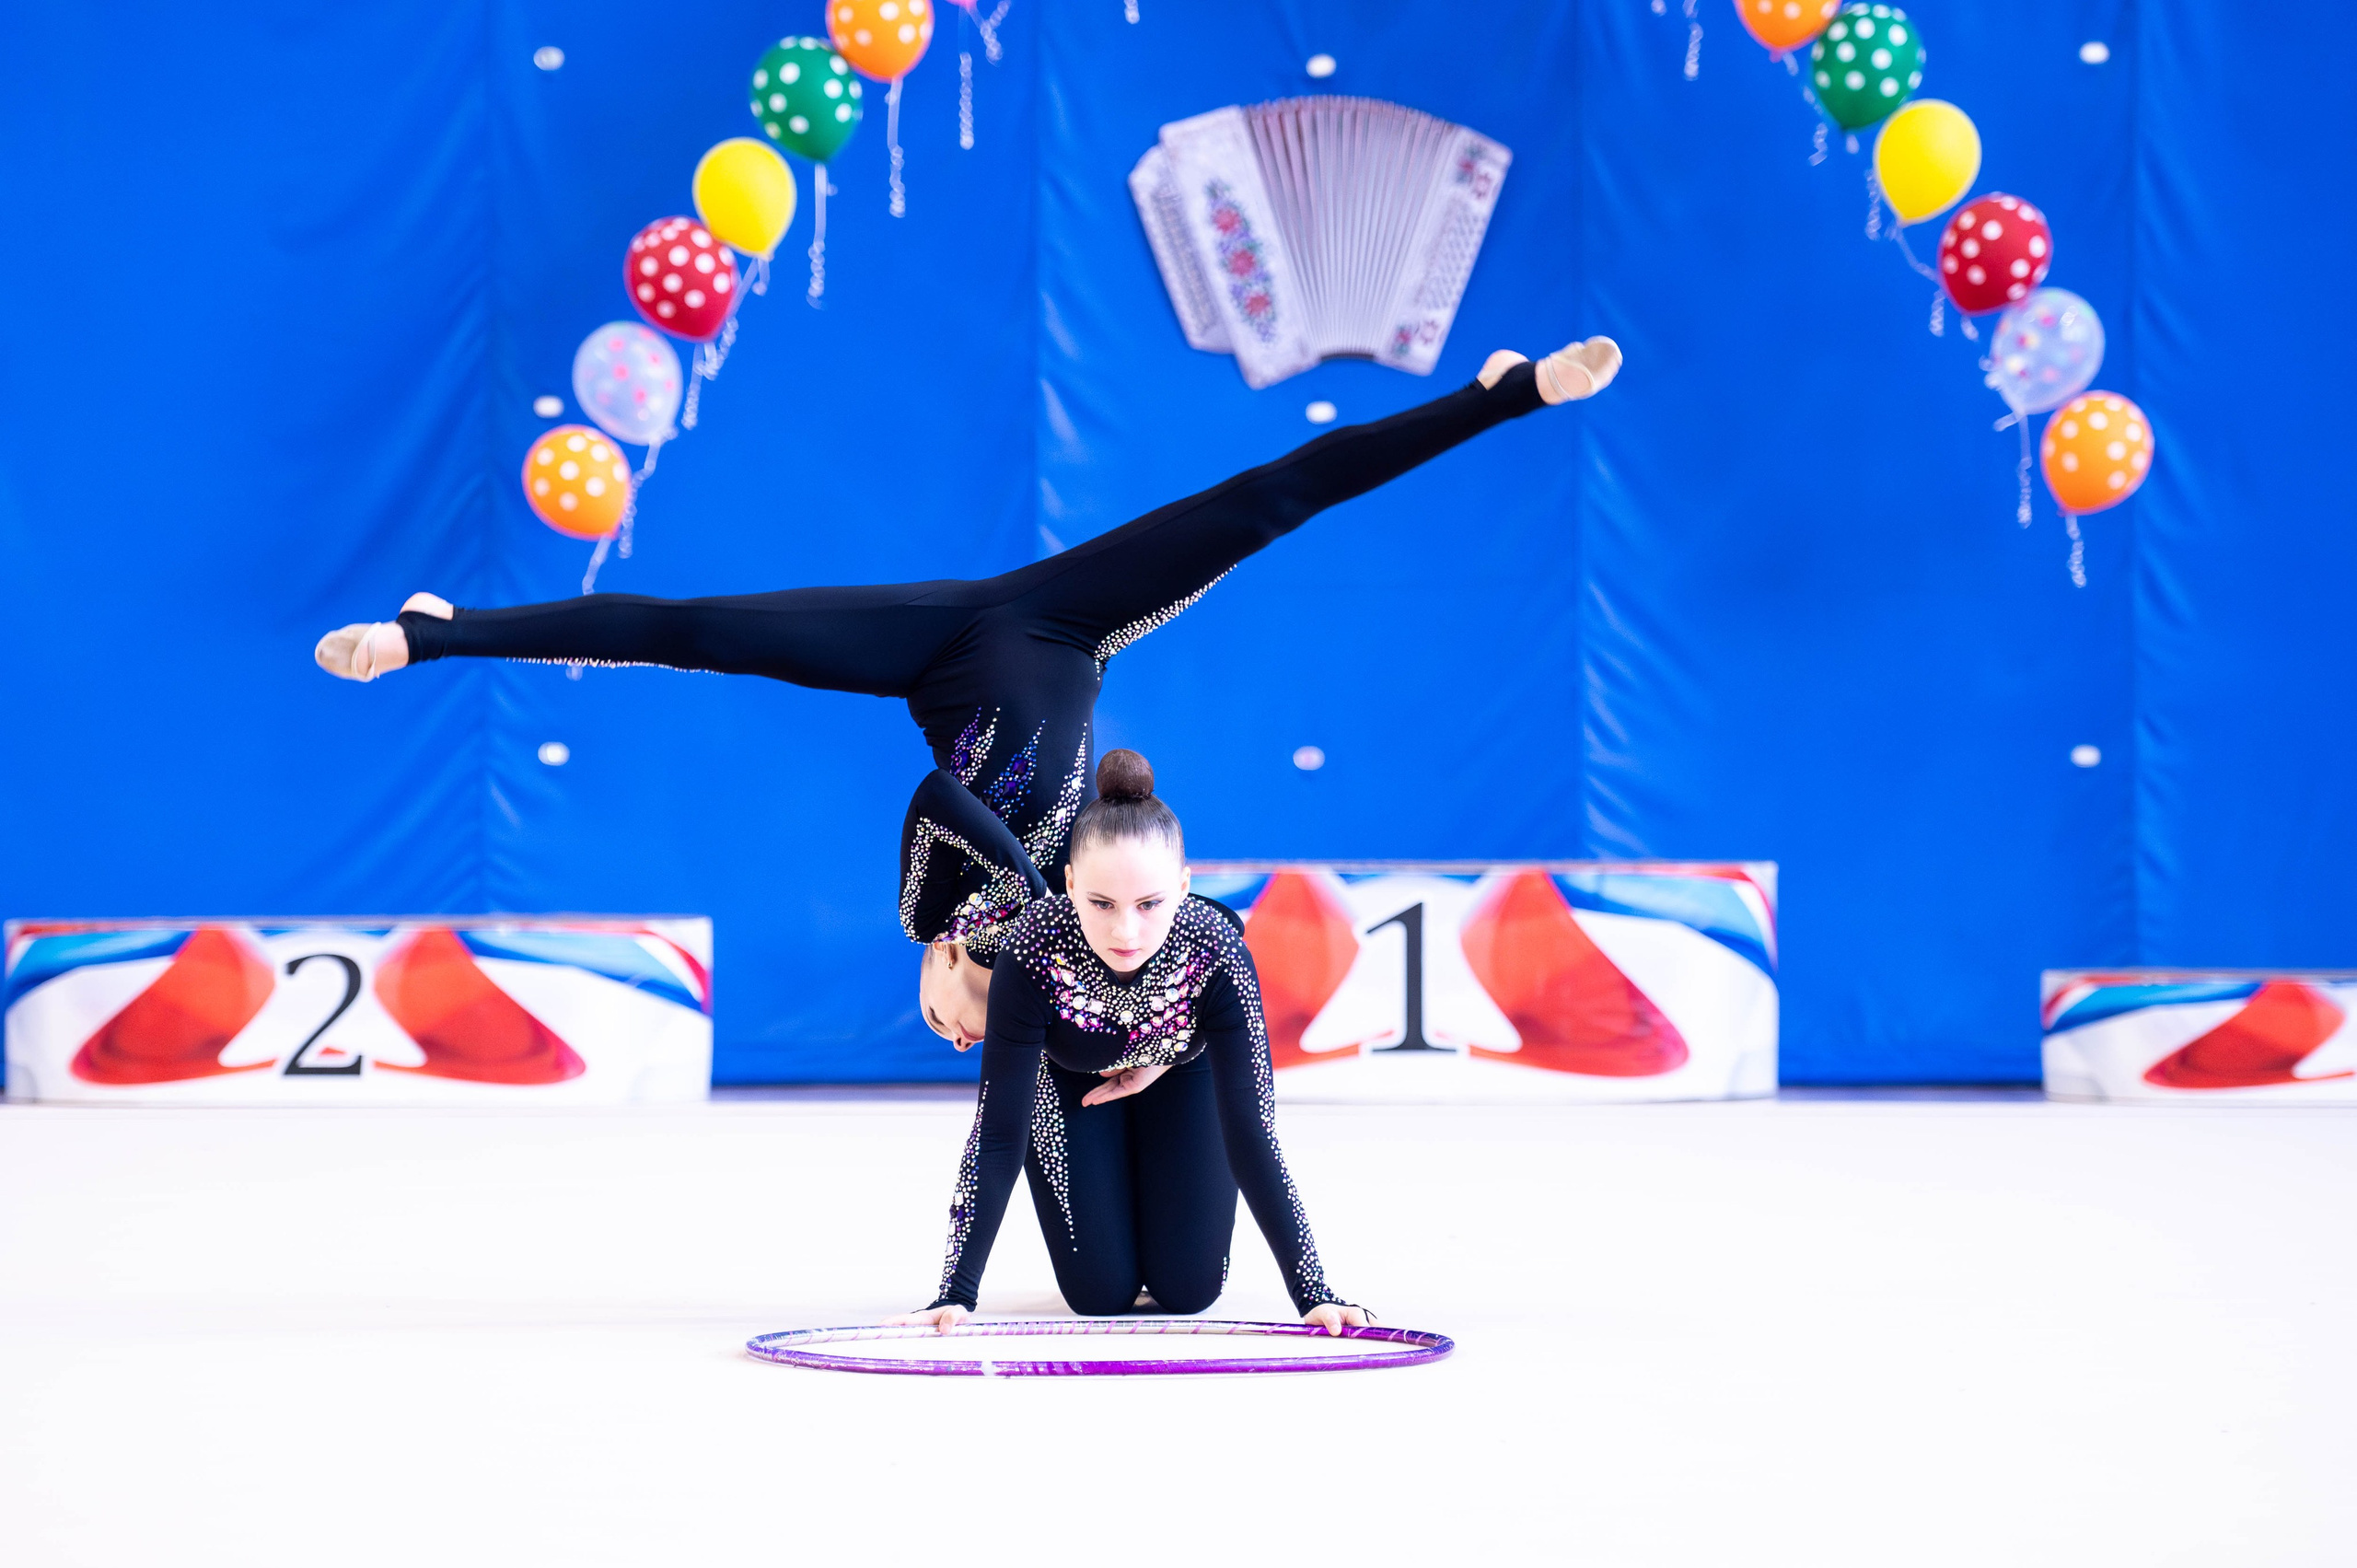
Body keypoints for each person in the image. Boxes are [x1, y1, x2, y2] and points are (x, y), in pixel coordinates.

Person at [313, 339, 1623, 1042]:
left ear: (941, 976)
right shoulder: (1074, 925)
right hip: (1073, 625)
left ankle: (438, 631)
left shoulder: (928, 908)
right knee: (1261, 506)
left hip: (935, 652)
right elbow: (1151, 887)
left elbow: (942, 798)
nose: (956, 1029)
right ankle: (1503, 396)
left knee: (700, 630)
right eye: (970, 1032)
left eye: (949, 1026)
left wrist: (1016, 903)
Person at [891, 749, 1363, 1331]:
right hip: (1074, 1083)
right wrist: (956, 1292)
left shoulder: (1216, 952)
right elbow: (997, 1136)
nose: (1125, 931)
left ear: (1184, 887)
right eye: (1101, 904)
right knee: (1098, 1292)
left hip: (1181, 1068)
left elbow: (1253, 1134)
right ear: (1069, 884)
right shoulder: (1032, 950)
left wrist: (1312, 1290)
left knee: (1189, 1289)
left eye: (1150, 904)